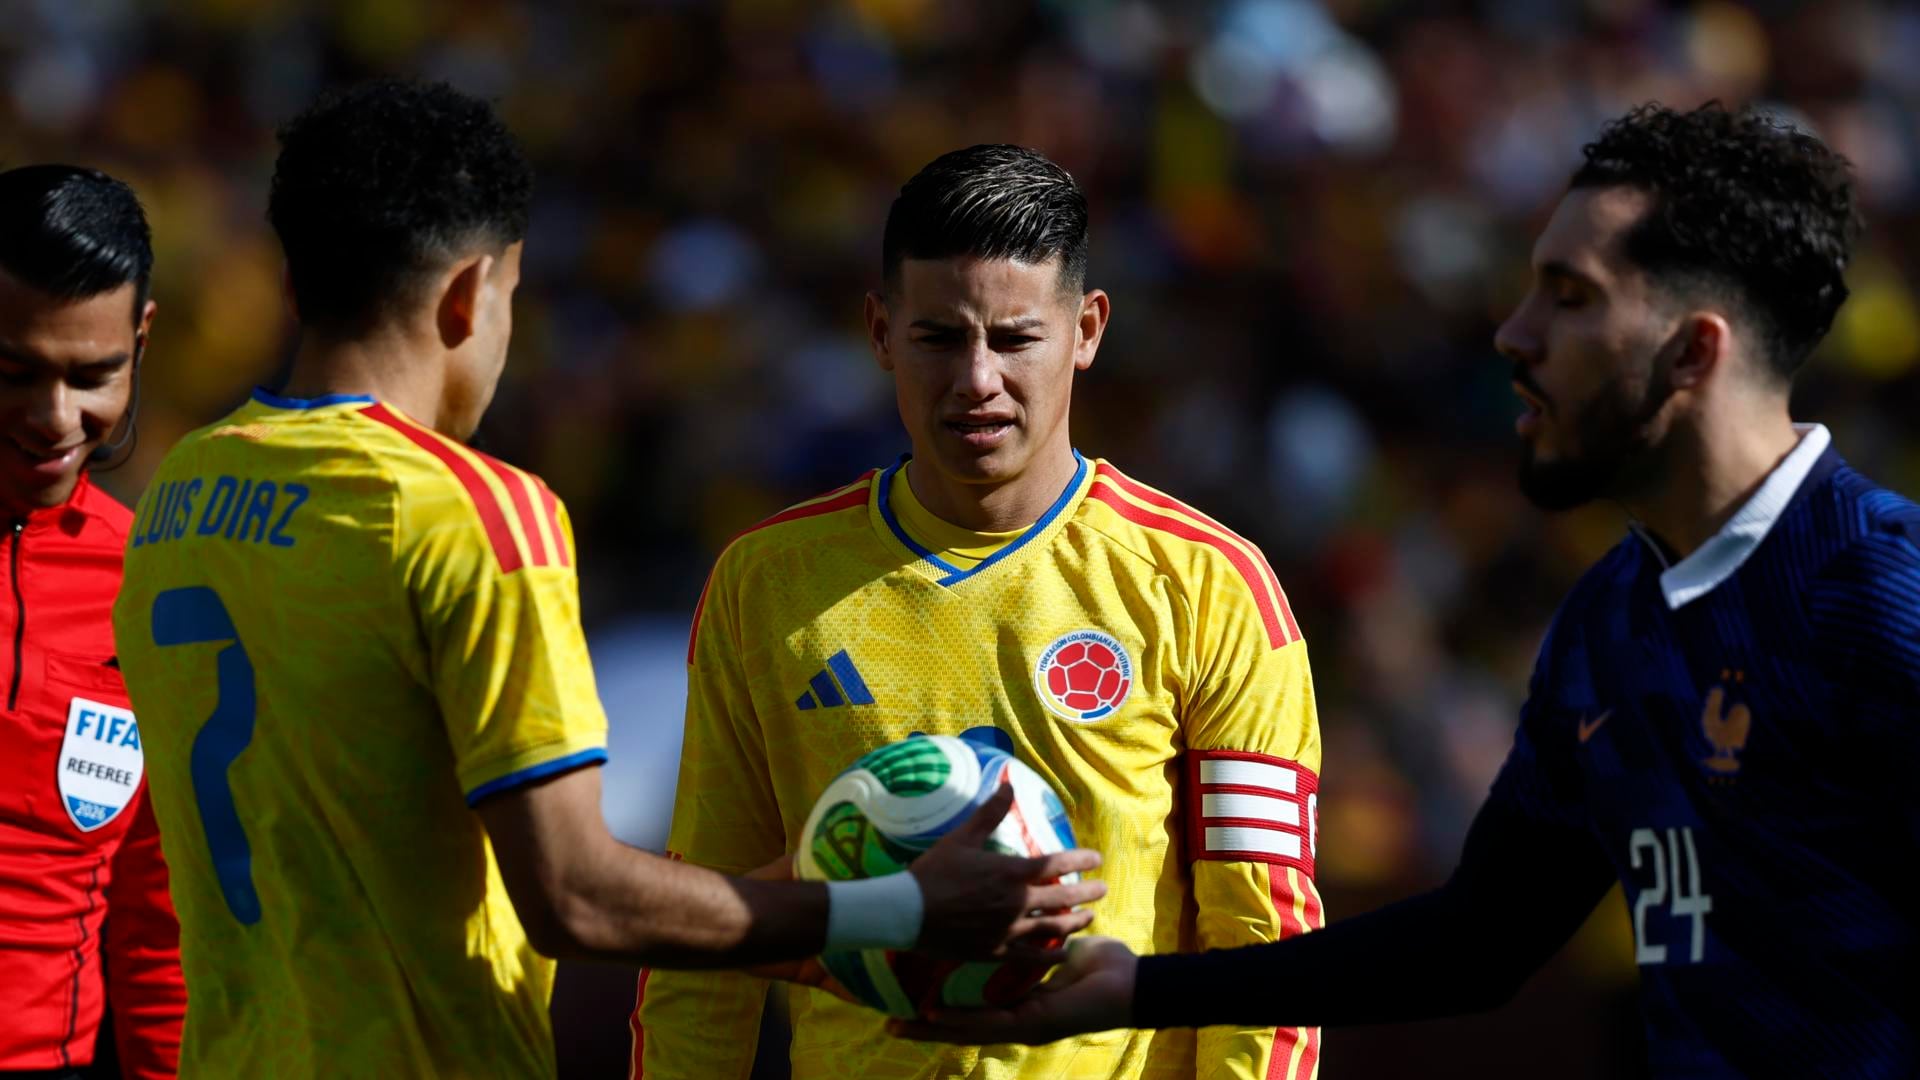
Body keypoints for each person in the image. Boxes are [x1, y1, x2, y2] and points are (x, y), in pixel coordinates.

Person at [894, 103, 1918, 1077]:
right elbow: (1477, 941)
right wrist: (1140, 990)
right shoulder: (1613, 616)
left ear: (1693, 349)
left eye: (1569, 297)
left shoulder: (1876, 589)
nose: (1514, 335)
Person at [109, 81, 1103, 1079]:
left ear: (293, 280)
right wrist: (899, 907)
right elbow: (574, 895)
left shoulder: (181, 491)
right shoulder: (471, 513)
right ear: (474, 292)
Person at [635, 144, 1325, 1080]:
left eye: (1013, 339)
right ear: (880, 333)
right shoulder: (769, 582)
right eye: (939, 338)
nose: (976, 379)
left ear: (1086, 329)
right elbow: (702, 929)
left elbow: (1266, 939)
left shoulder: (1208, 586)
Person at [0, 164, 185, 1080]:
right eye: (13, 372)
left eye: (91, 376)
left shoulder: (148, 586)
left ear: (140, 343)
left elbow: (159, 930)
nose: (51, 417)